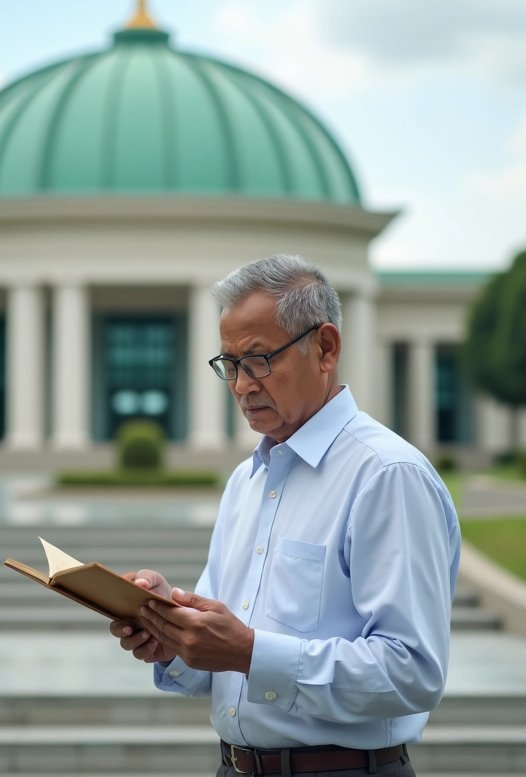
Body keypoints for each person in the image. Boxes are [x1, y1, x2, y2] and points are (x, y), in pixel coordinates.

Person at [110, 255, 461, 777]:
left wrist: (250, 653)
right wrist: (173, 637)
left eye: (257, 360)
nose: (241, 385)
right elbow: (225, 663)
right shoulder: (246, 480)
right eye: (230, 364)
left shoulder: (386, 475)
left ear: (325, 349)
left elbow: (412, 672)